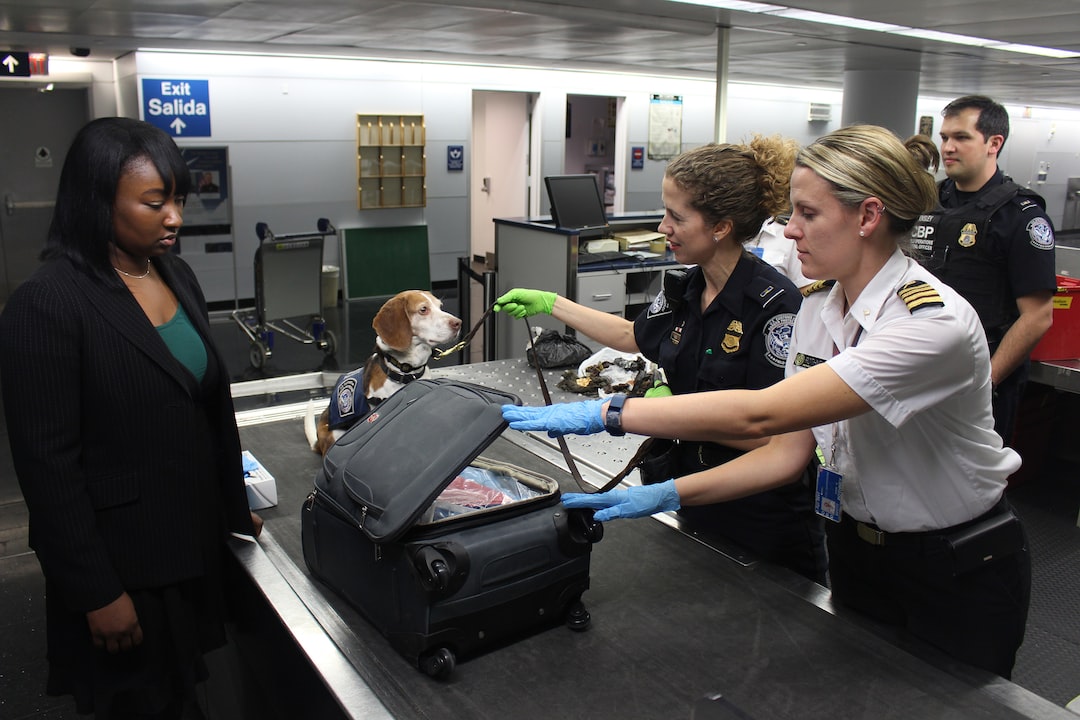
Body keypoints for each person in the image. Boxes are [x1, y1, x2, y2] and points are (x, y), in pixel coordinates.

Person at [502, 125, 1031, 679]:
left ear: (868, 217)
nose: (788, 230)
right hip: (856, 550)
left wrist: (608, 414)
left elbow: (763, 413)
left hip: (951, 564)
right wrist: (666, 493)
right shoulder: (817, 310)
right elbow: (785, 453)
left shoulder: (929, 324)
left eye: (806, 213)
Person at [0, 117, 262, 719]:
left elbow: (205, 409)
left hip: (188, 546)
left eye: (178, 199)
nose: (174, 217)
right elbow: (48, 469)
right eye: (154, 202)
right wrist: (96, 590)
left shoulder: (175, 273)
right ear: (96, 201)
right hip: (125, 570)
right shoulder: (47, 304)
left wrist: (227, 502)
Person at [495, 137, 827, 585]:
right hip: (692, 494)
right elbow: (635, 336)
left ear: (721, 227)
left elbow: (774, 441)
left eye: (676, 216)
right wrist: (552, 303)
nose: (662, 226)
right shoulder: (686, 287)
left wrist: (657, 415)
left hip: (758, 519)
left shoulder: (775, 307)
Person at [910, 95, 1056, 444]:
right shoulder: (927, 202)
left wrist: (986, 381)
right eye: (945, 137)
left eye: (961, 137)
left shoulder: (1020, 217)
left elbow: (1037, 316)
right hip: (922, 366)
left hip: (982, 376)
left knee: (974, 485)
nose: (948, 147)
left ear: (994, 143)